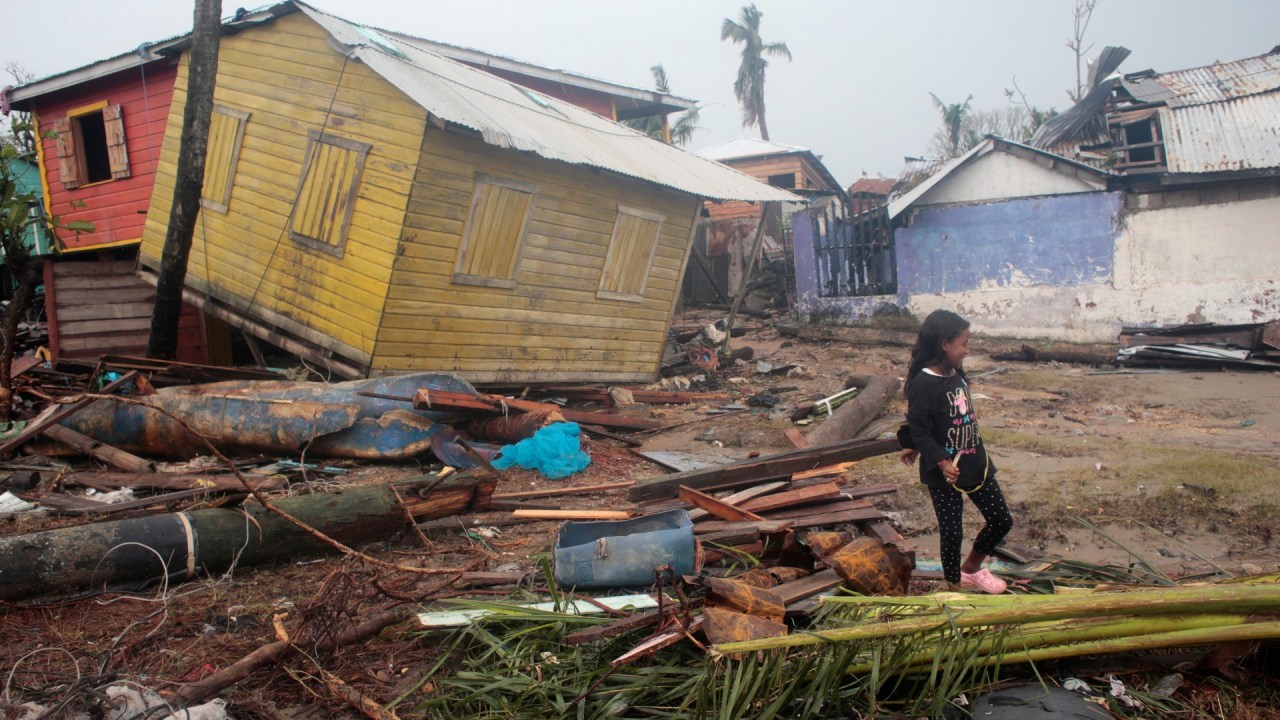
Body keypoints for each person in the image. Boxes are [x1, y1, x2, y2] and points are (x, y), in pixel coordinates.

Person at [900, 309, 1012, 594]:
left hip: (975, 460)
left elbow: (944, 417)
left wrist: (916, 443)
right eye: (963, 344)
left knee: (1001, 519)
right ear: (944, 344)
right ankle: (953, 586)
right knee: (952, 531)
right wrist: (939, 460)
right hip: (944, 472)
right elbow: (921, 428)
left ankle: (971, 569)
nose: (966, 350)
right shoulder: (923, 384)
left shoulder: (955, 373)